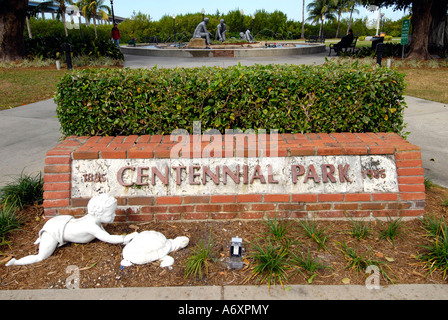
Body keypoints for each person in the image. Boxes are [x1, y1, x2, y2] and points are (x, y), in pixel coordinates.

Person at [6, 194, 137, 266]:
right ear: (99, 213)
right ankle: (15, 262)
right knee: (41, 257)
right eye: (111, 213)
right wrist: (126, 237)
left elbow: (105, 234)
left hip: (63, 223)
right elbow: (107, 238)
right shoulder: (91, 226)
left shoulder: (94, 221)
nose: (114, 215)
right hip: (55, 230)